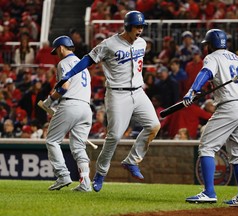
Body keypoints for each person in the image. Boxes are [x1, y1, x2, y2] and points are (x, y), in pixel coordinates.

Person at [55, 11, 161, 193]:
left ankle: (132, 160)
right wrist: (69, 74)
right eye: (137, 27)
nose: (140, 30)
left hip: (138, 91)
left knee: (154, 125)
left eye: (142, 27)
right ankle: (100, 174)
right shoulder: (109, 44)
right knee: (114, 136)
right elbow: (88, 59)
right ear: (127, 26)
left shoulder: (142, 43)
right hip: (117, 94)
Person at [183, 29, 238, 207]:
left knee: (206, 147)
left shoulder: (213, 57)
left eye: (206, 45)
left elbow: (206, 74)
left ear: (210, 44)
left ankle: (209, 192)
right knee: (237, 155)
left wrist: (192, 90)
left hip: (229, 106)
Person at [41, 35, 92, 192]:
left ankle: (63, 175)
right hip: (86, 108)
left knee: (52, 141)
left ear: (61, 48)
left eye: (56, 51)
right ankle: (85, 183)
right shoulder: (83, 65)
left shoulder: (64, 62)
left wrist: (49, 101)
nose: (56, 54)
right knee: (78, 147)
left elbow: (64, 87)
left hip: (70, 103)